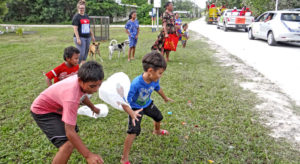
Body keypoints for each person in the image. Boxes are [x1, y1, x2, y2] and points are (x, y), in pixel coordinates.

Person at [31, 61, 104, 164]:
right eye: (92, 86)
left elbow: (82, 95)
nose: (96, 89)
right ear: (80, 81)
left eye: (99, 85)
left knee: (72, 139)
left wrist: (93, 107)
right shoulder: (72, 97)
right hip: (43, 111)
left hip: (57, 107)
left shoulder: (81, 80)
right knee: (68, 145)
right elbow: (69, 131)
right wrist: (88, 155)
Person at [120, 51, 173, 164]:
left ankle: (157, 131)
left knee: (158, 117)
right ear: (150, 71)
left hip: (147, 104)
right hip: (135, 109)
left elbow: (157, 88)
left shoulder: (154, 79)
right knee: (133, 131)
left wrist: (165, 98)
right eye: (160, 73)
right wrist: (131, 113)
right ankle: (124, 158)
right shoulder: (136, 84)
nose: (160, 76)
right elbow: (125, 102)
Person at [72, 0, 95, 65]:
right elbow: (75, 28)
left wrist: (92, 36)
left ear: (85, 8)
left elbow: (89, 27)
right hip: (80, 37)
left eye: (83, 8)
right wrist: (78, 38)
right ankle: (75, 66)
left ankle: (83, 67)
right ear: (78, 8)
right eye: (80, 8)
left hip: (88, 37)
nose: (82, 9)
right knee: (81, 53)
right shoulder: (76, 17)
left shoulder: (86, 16)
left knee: (85, 53)